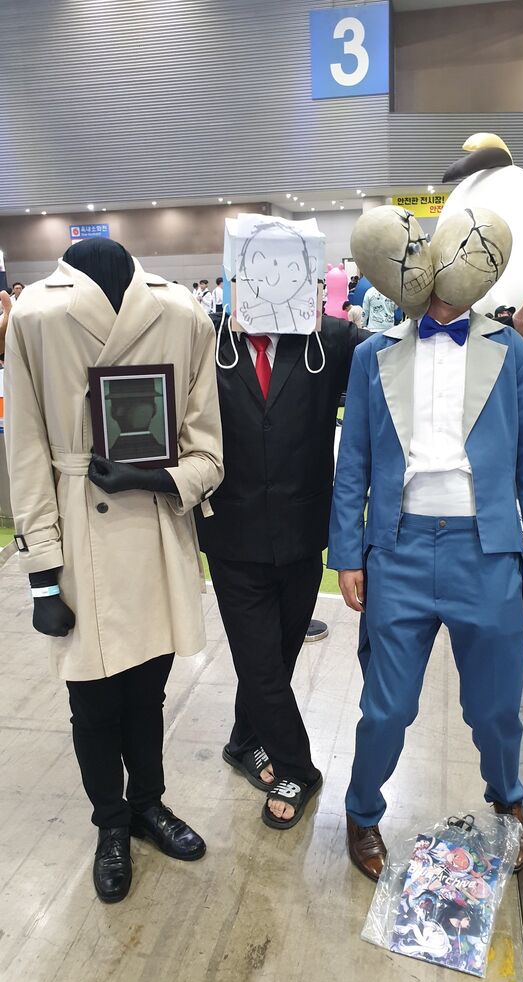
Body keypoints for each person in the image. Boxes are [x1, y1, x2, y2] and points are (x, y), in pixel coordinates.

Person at [329, 205, 523, 882]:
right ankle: (362, 811)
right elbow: (352, 462)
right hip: (397, 550)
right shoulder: (372, 355)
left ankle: (508, 799)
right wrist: (347, 552)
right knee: (386, 707)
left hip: (486, 552)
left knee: (494, 708)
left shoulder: (512, 355)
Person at [3, 238, 223, 904]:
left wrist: (150, 478)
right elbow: (27, 454)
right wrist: (43, 574)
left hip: (155, 530)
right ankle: (111, 823)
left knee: (148, 694)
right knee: (93, 704)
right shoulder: (35, 315)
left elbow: (208, 452)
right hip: (78, 533)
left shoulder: (182, 312)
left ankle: (149, 804)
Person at [195, 213, 370, 831]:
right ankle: (298, 766)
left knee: (277, 658)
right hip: (232, 536)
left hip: (301, 536)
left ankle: (244, 739)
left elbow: (400, 357)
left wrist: (493, 330)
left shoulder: (332, 341)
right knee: (261, 665)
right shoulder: (202, 342)